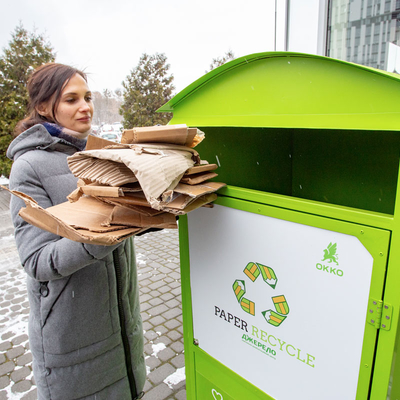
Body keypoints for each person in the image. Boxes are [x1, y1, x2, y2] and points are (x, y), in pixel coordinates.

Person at [6, 63, 146, 400]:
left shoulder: (98, 155)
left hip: (120, 322)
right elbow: (37, 261)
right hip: (71, 335)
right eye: (71, 99)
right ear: (43, 107)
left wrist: (150, 213)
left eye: (87, 97)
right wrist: (104, 234)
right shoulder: (29, 167)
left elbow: (123, 223)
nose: (85, 106)